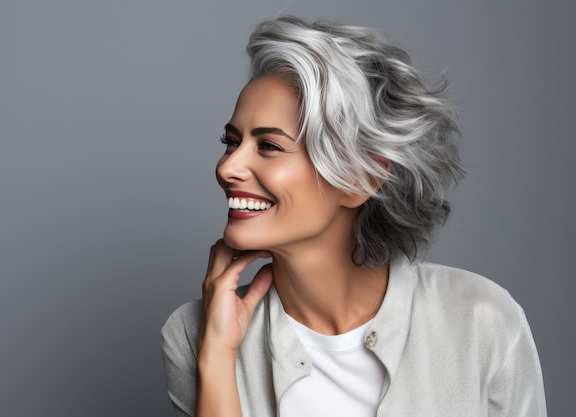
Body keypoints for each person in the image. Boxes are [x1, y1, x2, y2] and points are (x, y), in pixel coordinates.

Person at [161, 16, 546, 417]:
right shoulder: (194, 335)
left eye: (269, 146)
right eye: (231, 142)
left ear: (360, 178)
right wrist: (217, 356)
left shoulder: (482, 320)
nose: (227, 168)